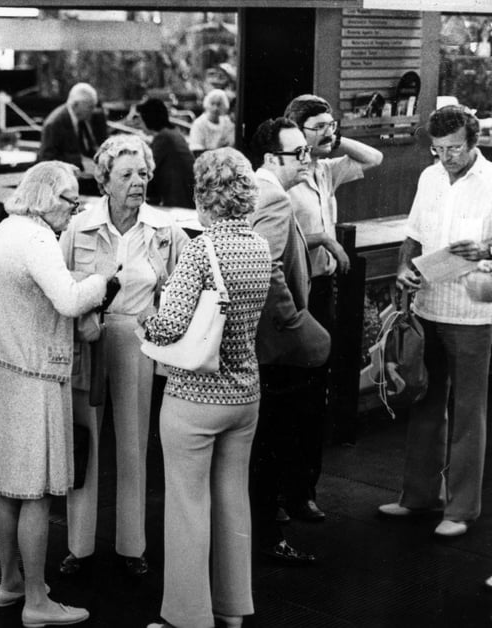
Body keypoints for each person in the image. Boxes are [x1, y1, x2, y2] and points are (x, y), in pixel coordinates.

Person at [0, 161, 113, 628]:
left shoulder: (6, 230)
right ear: (45, 197)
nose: (73, 213)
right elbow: (70, 301)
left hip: (2, 368)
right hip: (34, 373)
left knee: (9, 489)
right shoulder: (37, 239)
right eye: (70, 202)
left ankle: (11, 581)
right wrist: (103, 278)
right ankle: (36, 600)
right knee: (35, 491)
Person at [142, 147, 271, 628]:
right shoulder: (259, 246)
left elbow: (169, 328)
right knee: (234, 502)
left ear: (203, 197)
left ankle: (187, 617)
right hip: (245, 395)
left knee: (187, 507)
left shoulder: (201, 250)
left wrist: (146, 318)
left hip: (194, 399)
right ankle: (232, 609)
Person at [58, 134, 189, 578]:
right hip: (88, 339)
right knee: (85, 441)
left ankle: (132, 546)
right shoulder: (79, 227)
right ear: (104, 180)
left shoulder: (165, 230)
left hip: (137, 338)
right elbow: (60, 286)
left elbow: (181, 286)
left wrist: (161, 322)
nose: (138, 182)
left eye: (144, 173)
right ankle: (78, 547)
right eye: (127, 174)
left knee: (133, 443)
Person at [378, 105, 492, 538]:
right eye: (438, 149)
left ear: (473, 143)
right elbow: (413, 235)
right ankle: (418, 497)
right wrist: (402, 268)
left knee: (468, 412)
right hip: (426, 307)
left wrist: (480, 253)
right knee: (425, 402)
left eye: (453, 149)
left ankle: (461, 511)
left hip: (472, 313)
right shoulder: (429, 177)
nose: (446, 157)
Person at [281, 94, 383, 522]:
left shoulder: (325, 170)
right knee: (287, 393)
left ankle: (303, 491)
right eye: (318, 126)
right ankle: (277, 494)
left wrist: (332, 139)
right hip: (289, 291)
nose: (328, 132)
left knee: (314, 393)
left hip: (321, 289)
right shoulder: (281, 178)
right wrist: (322, 239)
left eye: (331, 124)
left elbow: (374, 157)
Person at [247, 117, 330, 565]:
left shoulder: (256, 190)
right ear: (270, 158)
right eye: (297, 153)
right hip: (277, 346)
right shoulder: (275, 197)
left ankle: (263, 526)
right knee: (273, 442)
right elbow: (268, 268)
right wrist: (299, 324)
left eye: (306, 150)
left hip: (262, 344)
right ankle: (268, 535)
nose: (307, 158)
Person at [138, 97, 195, 208]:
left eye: (141, 120)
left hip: (178, 201)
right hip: (187, 196)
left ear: (148, 118)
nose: (140, 125)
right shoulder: (173, 133)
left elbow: (147, 168)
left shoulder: (164, 138)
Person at [37, 82, 108, 171]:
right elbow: (46, 159)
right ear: (75, 105)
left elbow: (88, 148)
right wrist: (79, 162)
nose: (92, 111)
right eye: (90, 107)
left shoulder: (82, 118)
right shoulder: (54, 124)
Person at [189, 89, 235, 154]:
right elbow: (196, 150)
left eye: (219, 104)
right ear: (207, 104)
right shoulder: (199, 124)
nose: (215, 108)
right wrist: (216, 148)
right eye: (212, 104)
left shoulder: (227, 122)